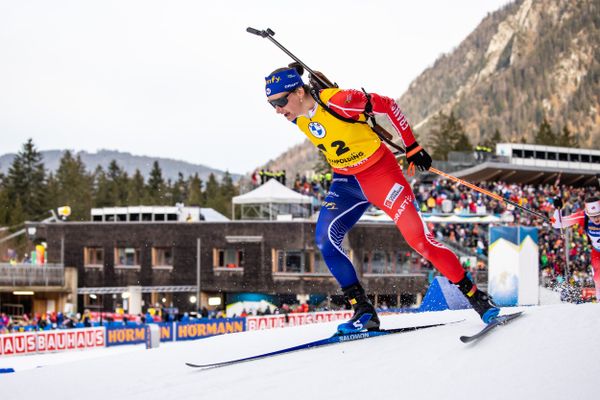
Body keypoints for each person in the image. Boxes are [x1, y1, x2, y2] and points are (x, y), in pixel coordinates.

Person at [263, 66, 500, 334]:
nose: (278, 110)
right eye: (272, 105)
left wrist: (412, 145)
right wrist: (293, 73)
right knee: (325, 240)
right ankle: (363, 311)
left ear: (298, 91)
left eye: (281, 102)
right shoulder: (298, 116)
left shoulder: (339, 101)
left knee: (419, 241)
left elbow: (388, 105)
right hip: (346, 183)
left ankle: (476, 297)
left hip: (382, 177)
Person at [552, 196, 600, 300]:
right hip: (597, 251)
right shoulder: (583, 216)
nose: (596, 219)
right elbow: (557, 223)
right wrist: (557, 209)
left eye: (598, 215)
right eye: (593, 216)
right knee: (598, 277)